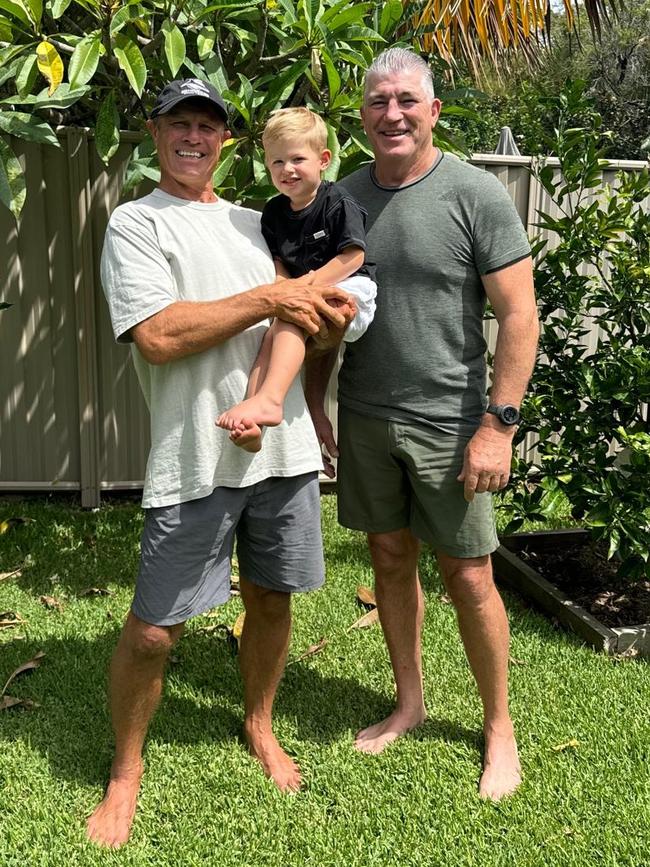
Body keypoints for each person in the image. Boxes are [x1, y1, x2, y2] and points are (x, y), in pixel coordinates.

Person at [87, 78, 356, 849]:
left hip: (283, 450)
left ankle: (260, 722)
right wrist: (274, 297)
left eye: (208, 126)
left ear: (227, 143)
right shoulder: (135, 224)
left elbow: (308, 324)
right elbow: (160, 336)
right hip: (195, 455)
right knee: (153, 632)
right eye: (180, 124)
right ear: (155, 134)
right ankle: (127, 768)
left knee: (272, 600)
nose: (194, 138)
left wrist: (323, 317)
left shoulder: (257, 222)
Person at [305, 48, 539, 801]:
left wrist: (498, 425)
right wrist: (315, 402)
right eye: (378, 102)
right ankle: (410, 699)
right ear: (363, 115)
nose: (393, 113)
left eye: (407, 99)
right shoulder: (341, 200)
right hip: (367, 414)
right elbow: (319, 316)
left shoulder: (475, 194)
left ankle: (498, 725)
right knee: (388, 556)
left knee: (469, 573)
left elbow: (518, 315)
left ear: (434, 111)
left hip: (452, 421)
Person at [217, 107, 377, 453]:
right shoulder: (274, 211)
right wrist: (282, 288)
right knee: (271, 336)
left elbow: (354, 256)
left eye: (297, 159)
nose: (287, 169)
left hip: (352, 287)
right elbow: (279, 262)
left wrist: (305, 287)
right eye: (276, 162)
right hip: (306, 288)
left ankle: (271, 399)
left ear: (323, 159)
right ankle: (253, 420)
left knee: (291, 318)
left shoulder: (337, 201)